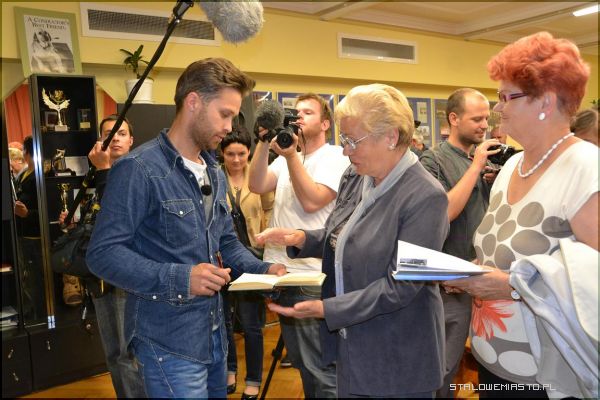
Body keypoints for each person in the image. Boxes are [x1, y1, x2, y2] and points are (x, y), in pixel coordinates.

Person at [86, 58, 286, 398]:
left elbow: (226, 241)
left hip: (214, 336)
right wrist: (181, 278)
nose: (229, 127)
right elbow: (102, 255)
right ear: (193, 102)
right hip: (168, 342)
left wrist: (264, 270)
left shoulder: (213, 171)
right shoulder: (138, 169)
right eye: (224, 114)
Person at [260, 84, 450, 397]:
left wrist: (327, 309)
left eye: (352, 141)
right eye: (343, 140)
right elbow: (344, 236)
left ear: (390, 137)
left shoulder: (425, 196)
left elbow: (401, 286)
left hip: (398, 356)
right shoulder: (356, 175)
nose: (346, 151)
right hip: (352, 345)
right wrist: (301, 238)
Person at [445, 32, 597, 398]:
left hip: (552, 374)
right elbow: (504, 249)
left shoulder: (586, 168)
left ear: (545, 100)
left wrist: (510, 285)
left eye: (506, 97)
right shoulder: (513, 166)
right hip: (494, 359)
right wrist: (471, 272)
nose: (498, 109)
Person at [248, 93, 349, 398]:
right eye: (296, 111)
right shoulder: (285, 157)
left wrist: (292, 156)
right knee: (304, 364)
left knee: (320, 366)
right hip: (282, 270)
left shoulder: (336, 157)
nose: (299, 116)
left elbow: (312, 201)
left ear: (326, 123)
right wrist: (263, 142)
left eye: (308, 112)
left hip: (311, 275)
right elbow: (256, 184)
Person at [419, 88, 500, 398]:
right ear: (453, 119)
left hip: (481, 283)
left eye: (486, 119)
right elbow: (444, 213)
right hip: (447, 285)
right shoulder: (433, 160)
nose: (484, 126)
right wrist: (475, 167)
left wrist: (493, 182)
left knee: (464, 368)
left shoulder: (480, 160)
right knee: (438, 371)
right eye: (476, 119)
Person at [60, 114, 146, 398]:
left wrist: (105, 169)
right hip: (100, 276)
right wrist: (75, 225)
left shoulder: (137, 172)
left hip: (127, 276)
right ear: (100, 140)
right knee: (112, 353)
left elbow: (119, 217)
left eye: (121, 133)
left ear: (131, 140)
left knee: (128, 351)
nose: (115, 138)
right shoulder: (98, 176)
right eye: (109, 133)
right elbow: (99, 222)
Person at [220, 125, 274, 399]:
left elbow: (270, 209)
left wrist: (268, 239)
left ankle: (253, 379)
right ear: (222, 153)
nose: (236, 159)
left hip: (252, 257)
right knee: (224, 322)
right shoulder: (214, 177)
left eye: (241, 153)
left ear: (249, 152)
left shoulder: (259, 175)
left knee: (252, 324)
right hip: (221, 260)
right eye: (230, 154)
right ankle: (230, 370)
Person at [13, 136, 45, 321]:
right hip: (23, 234)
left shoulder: (39, 176)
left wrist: (27, 214)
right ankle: (32, 313)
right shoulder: (25, 174)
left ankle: (39, 316)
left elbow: (45, 211)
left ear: (26, 152)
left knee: (36, 280)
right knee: (28, 278)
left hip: (35, 237)